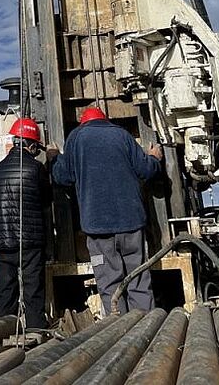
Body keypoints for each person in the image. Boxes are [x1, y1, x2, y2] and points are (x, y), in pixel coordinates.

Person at [50, 107, 162, 315]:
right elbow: (146, 170)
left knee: (110, 285)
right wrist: (154, 158)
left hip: (98, 227)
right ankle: (147, 328)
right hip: (132, 224)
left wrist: (54, 158)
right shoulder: (123, 135)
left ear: (84, 123)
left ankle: (118, 333)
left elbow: (61, 177)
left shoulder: (76, 138)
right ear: (106, 121)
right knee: (139, 280)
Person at [0, 117, 51, 330]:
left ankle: (1, 335)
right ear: (31, 144)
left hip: (3, 241)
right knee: (33, 292)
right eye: (37, 148)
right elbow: (47, 199)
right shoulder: (36, 169)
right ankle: (36, 332)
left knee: (5, 293)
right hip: (30, 242)